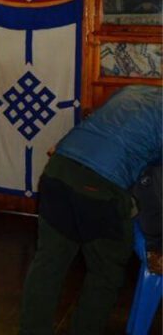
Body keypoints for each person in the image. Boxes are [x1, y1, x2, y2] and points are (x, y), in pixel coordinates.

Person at [19, 85, 162, 335]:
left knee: (49, 263)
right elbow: (156, 189)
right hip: (101, 186)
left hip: (57, 171)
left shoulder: (131, 90)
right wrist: (157, 244)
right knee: (106, 275)